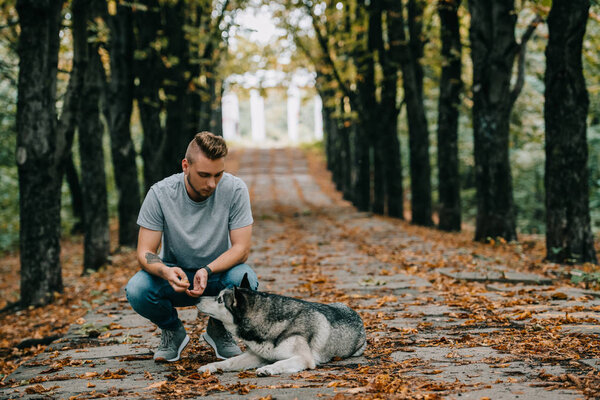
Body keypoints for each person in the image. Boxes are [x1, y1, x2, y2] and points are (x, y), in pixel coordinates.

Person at [125, 131, 258, 363]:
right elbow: (146, 252)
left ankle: (219, 330)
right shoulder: (160, 193)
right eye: (204, 175)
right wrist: (166, 271)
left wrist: (207, 270)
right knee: (137, 289)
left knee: (245, 280)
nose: (211, 184)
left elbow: (241, 249)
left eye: (218, 175)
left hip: (216, 276)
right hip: (174, 278)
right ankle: (172, 331)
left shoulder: (235, 189)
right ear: (185, 166)